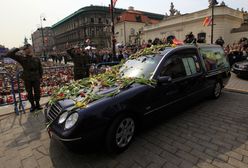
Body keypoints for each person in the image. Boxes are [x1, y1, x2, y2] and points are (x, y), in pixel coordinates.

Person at [5, 44, 43, 112]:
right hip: (27, 78)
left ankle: (37, 104)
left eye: (29, 48)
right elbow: (9, 54)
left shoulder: (37, 58)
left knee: (37, 92)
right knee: (29, 92)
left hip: (36, 77)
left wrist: (40, 77)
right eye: (26, 49)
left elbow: (40, 68)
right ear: (24, 50)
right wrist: (19, 48)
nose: (28, 49)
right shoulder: (22, 58)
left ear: (31, 48)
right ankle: (32, 105)